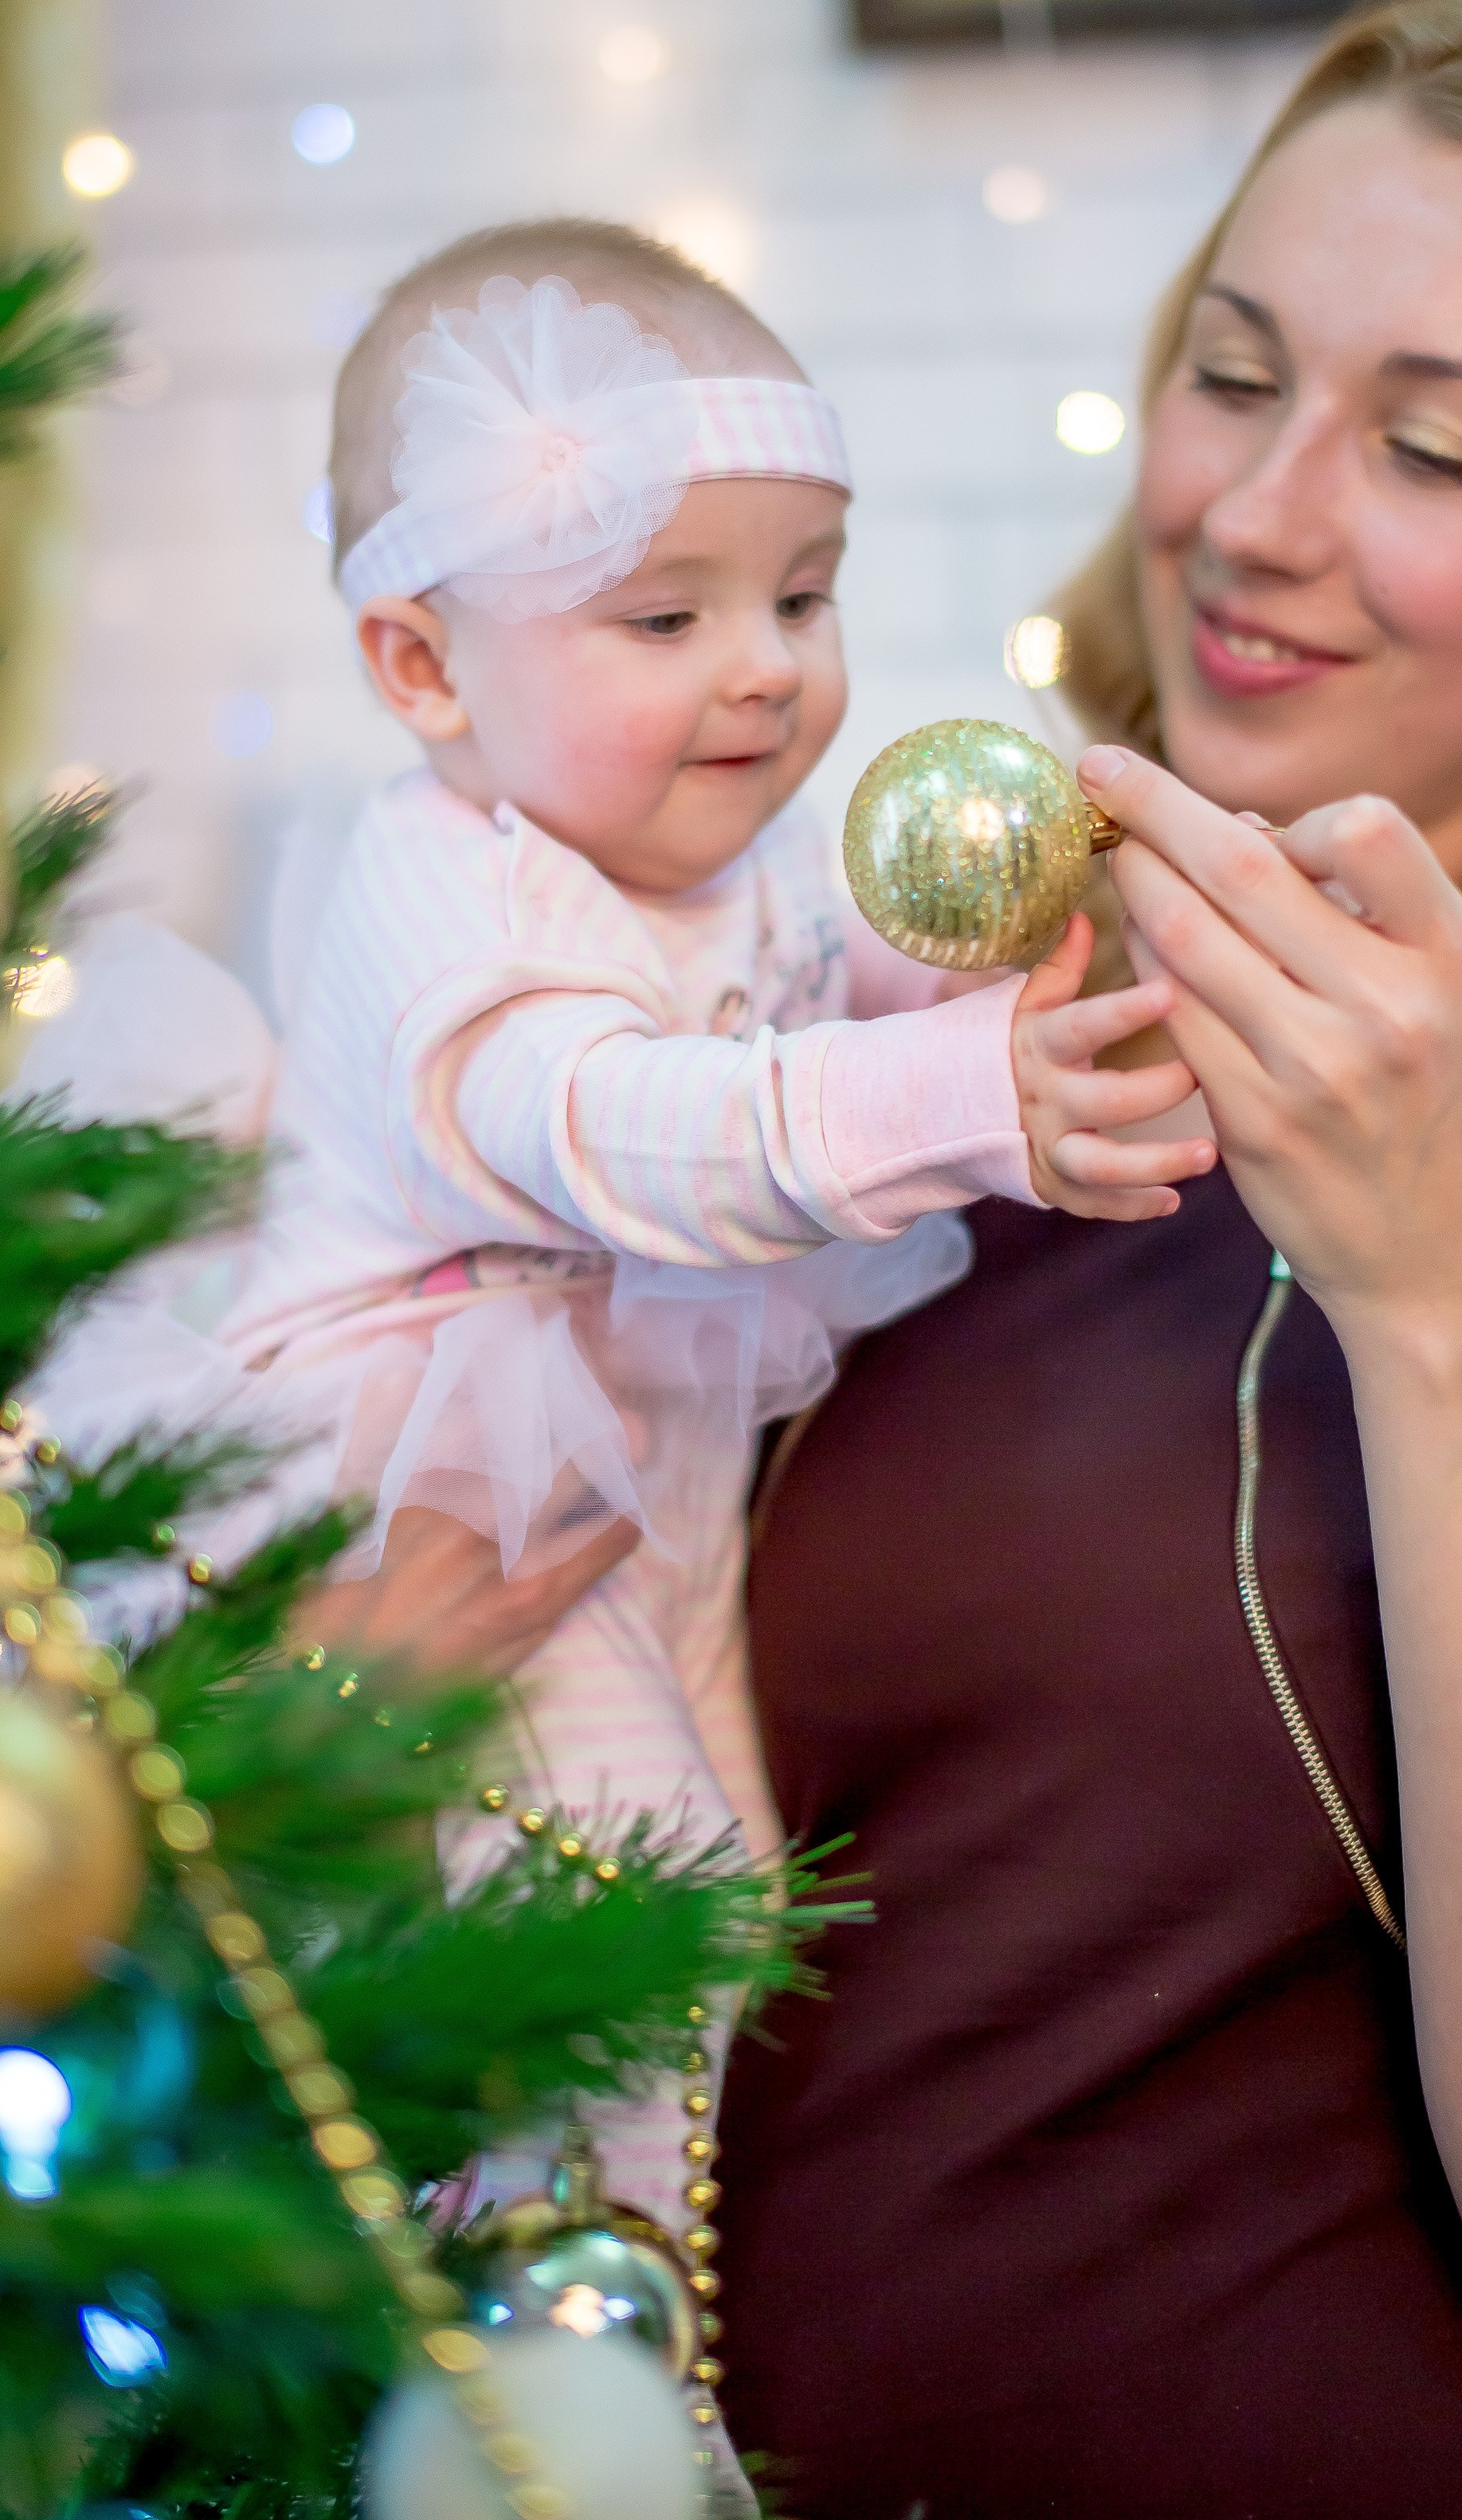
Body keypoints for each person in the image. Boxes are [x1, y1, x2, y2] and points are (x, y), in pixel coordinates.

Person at [700, 0, 1462, 2520]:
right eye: (1228, 374)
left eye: (1423, 445)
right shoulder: (890, 1049)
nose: (1255, 517)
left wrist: (1434, 1294)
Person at [212, 219, 1207, 2238]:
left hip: (636, 1468)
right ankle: (545, 2308)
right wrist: (952, 1104)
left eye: (804, 593)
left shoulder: (718, 870)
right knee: (610, 1893)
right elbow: (615, 1126)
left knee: (720, 1880)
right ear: (420, 663)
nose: (765, 664)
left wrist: (967, 994)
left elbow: (814, 1002)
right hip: (435, 1487)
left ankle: (644, 2291)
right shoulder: (443, 892)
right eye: (664, 617)